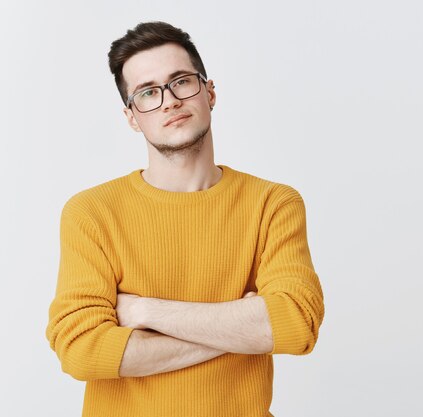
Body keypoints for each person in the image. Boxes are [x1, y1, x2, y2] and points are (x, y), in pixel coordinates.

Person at [45, 20, 324, 417]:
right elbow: (81, 351)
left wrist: (147, 312)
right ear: (131, 117)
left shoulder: (272, 203)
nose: (169, 101)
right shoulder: (93, 212)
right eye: (148, 92)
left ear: (209, 92)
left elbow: (296, 324)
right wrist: (244, 329)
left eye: (182, 82)